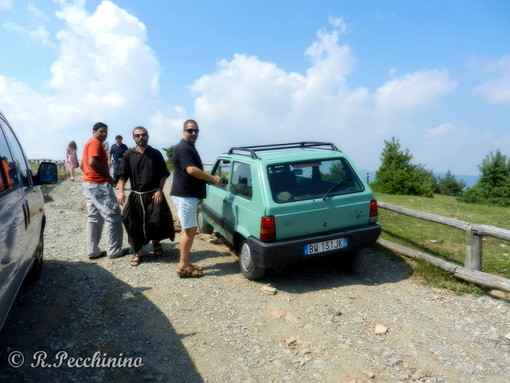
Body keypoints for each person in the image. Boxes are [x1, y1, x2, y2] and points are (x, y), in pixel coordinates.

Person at [117, 126, 175, 266]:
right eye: (137, 135)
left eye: (143, 135)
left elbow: (163, 174)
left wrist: (159, 190)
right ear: (133, 138)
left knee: (157, 221)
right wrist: (120, 191)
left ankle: (156, 242)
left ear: (148, 136)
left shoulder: (155, 154)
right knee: (130, 221)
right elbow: (122, 175)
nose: (141, 137)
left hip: (153, 194)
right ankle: (139, 252)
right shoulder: (128, 154)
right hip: (136, 195)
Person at [171, 119, 221, 278]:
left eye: (196, 131)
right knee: (189, 230)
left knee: (189, 229)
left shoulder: (188, 147)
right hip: (185, 195)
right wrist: (212, 178)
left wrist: (198, 195)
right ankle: (183, 265)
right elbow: (192, 170)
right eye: (190, 130)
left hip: (188, 195)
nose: (193, 133)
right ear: (183, 131)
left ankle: (185, 262)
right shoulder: (184, 148)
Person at [81, 122, 125, 259]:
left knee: (94, 217)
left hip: (89, 183)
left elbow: (83, 165)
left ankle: (93, 251)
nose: (104, 134)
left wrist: (89, 175)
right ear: (94, 131)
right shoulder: (95, 143)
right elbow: (92, 162)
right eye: (101, 131)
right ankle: (114, 250)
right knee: (113, 216)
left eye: (106, 131)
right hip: (99, 184)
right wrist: (107, 177)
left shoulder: (89, 143)